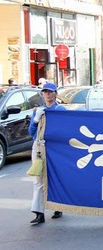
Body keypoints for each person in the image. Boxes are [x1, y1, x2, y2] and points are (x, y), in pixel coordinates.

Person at [28, 83, 66, 225]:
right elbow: (31, 132)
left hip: (54, 149)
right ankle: (39, 212)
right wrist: (36, 119)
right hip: (38, 148)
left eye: (50, 92)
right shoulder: (38, 110)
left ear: (55, 94)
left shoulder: (60, 110)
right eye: (45, 92)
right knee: (38, 180)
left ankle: (59, 206)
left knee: (56, 177)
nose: (48, 95)